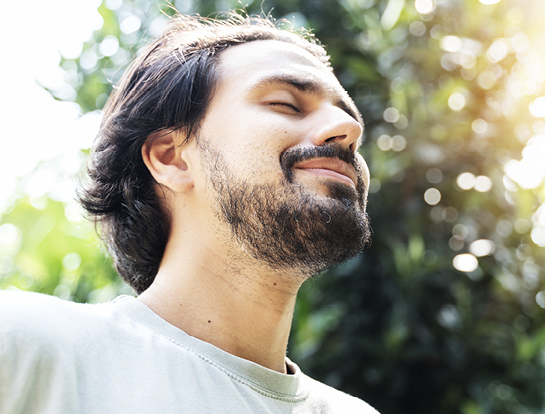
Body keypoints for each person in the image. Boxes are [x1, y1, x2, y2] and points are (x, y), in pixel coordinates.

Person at [0, 13, 377, 414]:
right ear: (171, 158)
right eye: (286, 104)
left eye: (348, 116)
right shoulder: (26, 344)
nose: (348, 128)